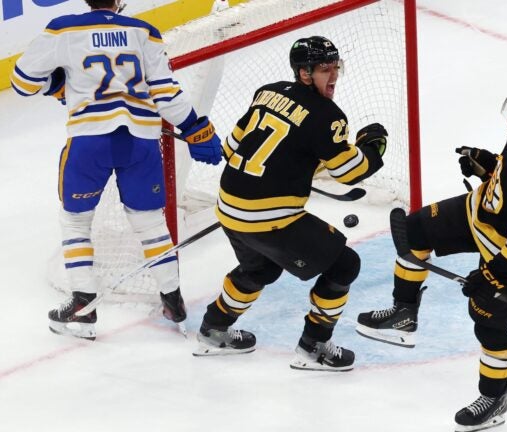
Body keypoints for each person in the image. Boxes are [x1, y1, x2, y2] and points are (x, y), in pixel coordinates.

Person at [357, 83, 507, 431]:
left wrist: (490, 278)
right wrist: (490, 166)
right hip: (484, 214)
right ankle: (403, 315)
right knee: (415, 232)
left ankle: (494, 399)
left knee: (489, 324)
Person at [10, 0, 223, 340]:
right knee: (150, 221)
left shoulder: (63, 28)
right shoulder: (144, 32)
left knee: (76, 221)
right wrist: (197, 127)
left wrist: (59, 85)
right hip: (140, 141)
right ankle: (173, 299)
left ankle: (83, 306)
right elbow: (166, 94)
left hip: (89, 141)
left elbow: (21, 82)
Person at [193, 36, 387, 372]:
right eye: (325, 68)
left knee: (261, 269)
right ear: (304, 73)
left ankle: (214, 328)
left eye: (335, 66)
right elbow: (348, 172)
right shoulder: (327, 115)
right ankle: (315, 346)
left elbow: (230, 147)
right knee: (344, 266)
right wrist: (373, 149)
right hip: (269, 216)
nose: (334, 75)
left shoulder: (266, 91)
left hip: (228, 207)